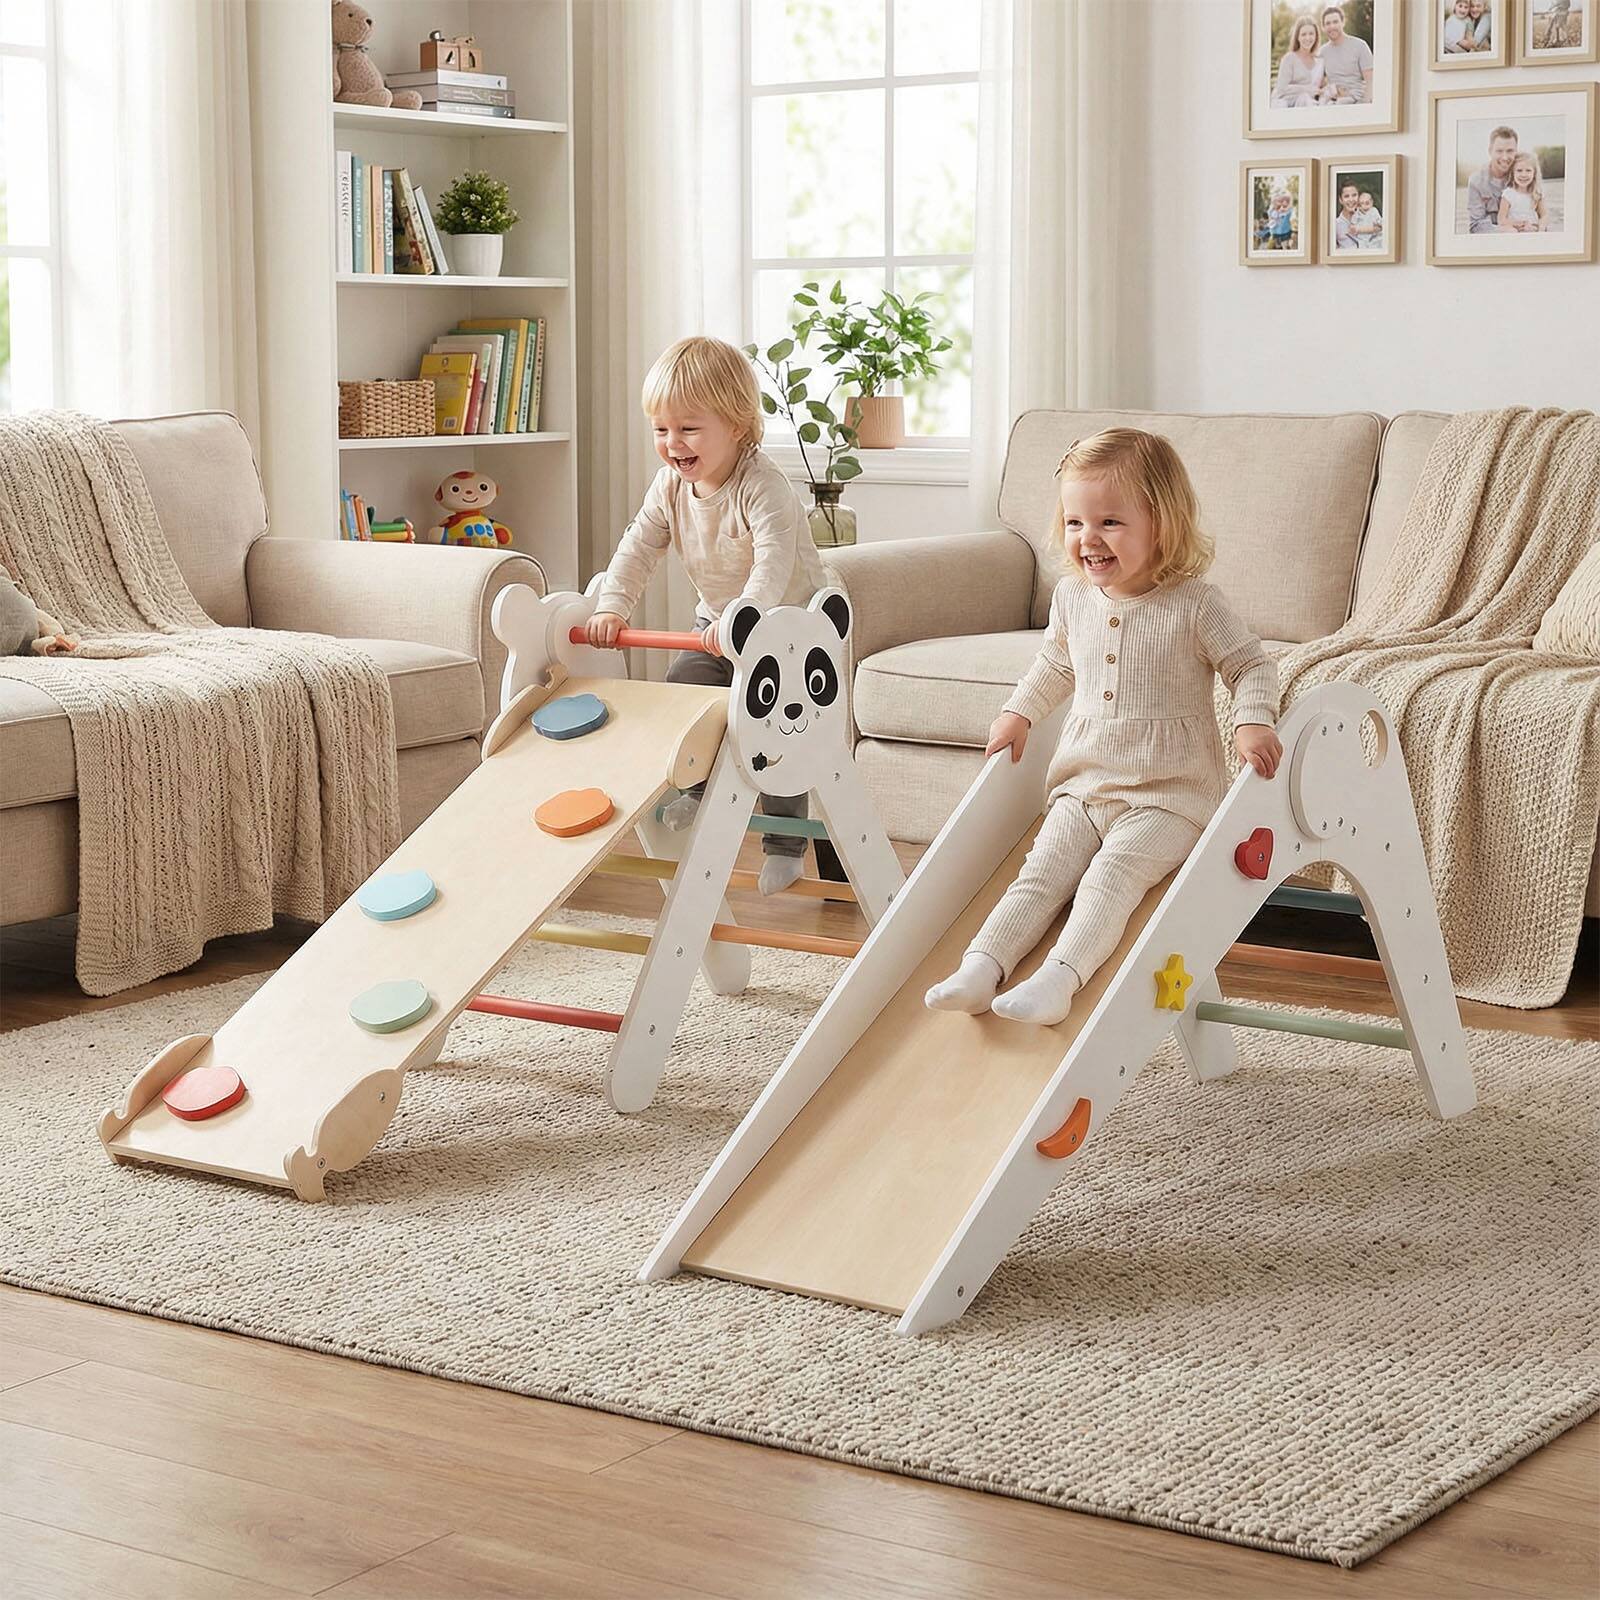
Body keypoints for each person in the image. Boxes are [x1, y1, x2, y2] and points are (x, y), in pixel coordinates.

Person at [924, 429, 1281, 1027]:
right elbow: (1055, 665)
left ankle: (1059, 980)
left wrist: (1251, 721)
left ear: (1160, 524)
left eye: (1110, 522)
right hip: (1083, 786)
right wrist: (1019, 712)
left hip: (1168, 798)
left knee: (1109, 877)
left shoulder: (1195, 604)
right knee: (1040, 874)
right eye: (1075, 522)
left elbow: (1251, 665)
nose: (1088, 538)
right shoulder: (1071, 598)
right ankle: (981, 967)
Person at [584, 335, 826, 895]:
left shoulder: (763, 487)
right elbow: (638, 548)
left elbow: (771, 565)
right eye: (661, 429)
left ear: (738, 425)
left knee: (776, 730)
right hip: (717, 624)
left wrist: (746, 617)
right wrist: (612, 605)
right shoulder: (670, 486)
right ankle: (696, 791)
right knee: (685, 687)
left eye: (689, 429)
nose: (673, 444)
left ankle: (784, 845)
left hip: (788, 631)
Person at [1467, 124, 1519, 232]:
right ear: (1490, 151)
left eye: (1510, 151)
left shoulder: (1524, 176)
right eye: (1499, 151)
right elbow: (1475, 225)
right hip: (1495, 236)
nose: (1505, 157)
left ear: (1516, 151)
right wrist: (1505, 231)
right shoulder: (1476, 182)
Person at [1317, 5, 1373, 103]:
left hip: (1356, 99)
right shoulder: (1322, 52)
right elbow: (1317, 82)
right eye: (1328, 23)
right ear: (1323, 27)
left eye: (1335, 22)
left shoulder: (1360, 45)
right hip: (1333, 99)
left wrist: (1366, 104)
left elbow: (1370, 79)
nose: (1332, 26)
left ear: (1343, 22)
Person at [1272, 15, 1326, 107]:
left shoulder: (1319, 62)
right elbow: (1281, 89)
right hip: (1286, 104)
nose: (1308, 38)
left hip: (1308, 105)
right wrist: (1306, 89)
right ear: (1298, 37)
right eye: (1303, 34)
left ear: (1316, 36)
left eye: (1311, 34)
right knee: (1304, 98)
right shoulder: (1289, 58)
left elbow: (1320, 88)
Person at [1498, 149, 1548, 232]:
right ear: (1513, 173)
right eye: (1519, 170)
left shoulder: (1537, 192)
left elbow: (1544, 215)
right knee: (1510, 231)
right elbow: (1501, 220)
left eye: (1528, 170)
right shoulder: (1508, 194)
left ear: (1534, 173)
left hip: (1532, 227)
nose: (1523, 175)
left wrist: (1540, 228)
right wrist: (1519, 224)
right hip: (1514, 228)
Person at [1333, 180, 1361, 248]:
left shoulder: (1369, 217)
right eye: (1346, 196)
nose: (1351, 200)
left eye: (1354, 195)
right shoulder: (1335, 225)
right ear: (1340, 200)